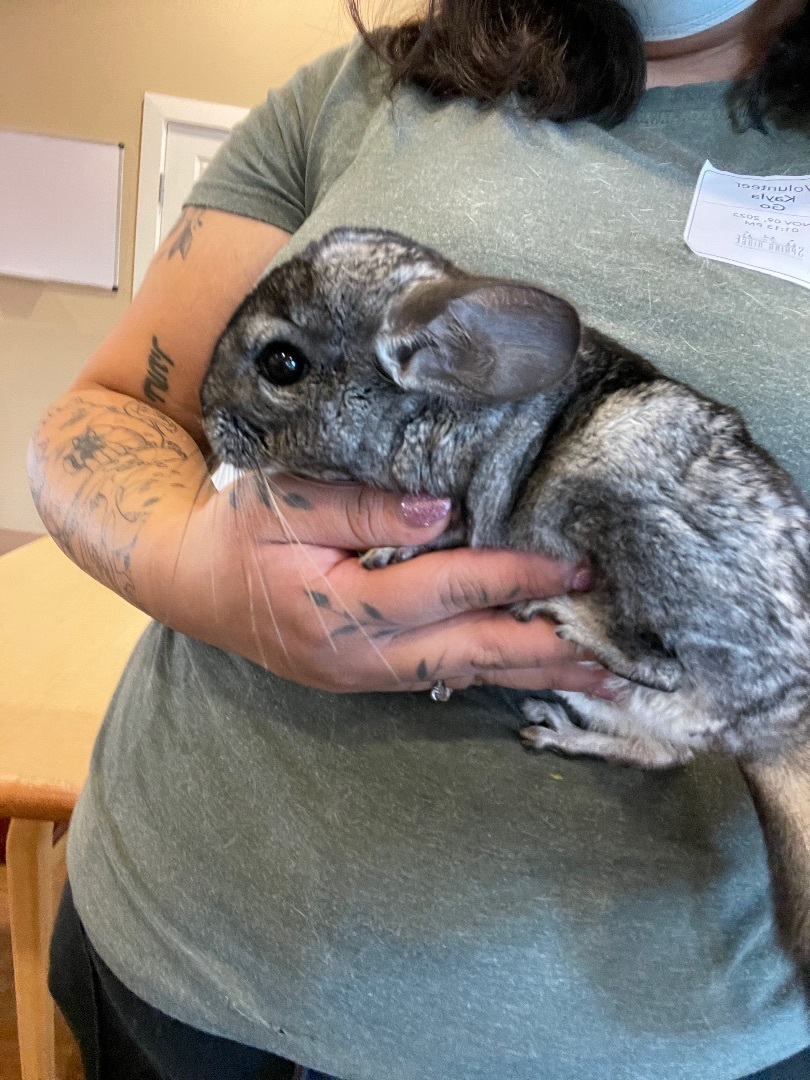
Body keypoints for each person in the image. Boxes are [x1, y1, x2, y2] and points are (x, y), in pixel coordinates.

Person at [31, 0, 810, 1077]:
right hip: (182, 954)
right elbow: (107, 408)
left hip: (648, 1038)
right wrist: (197, 568)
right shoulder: (359, 92)